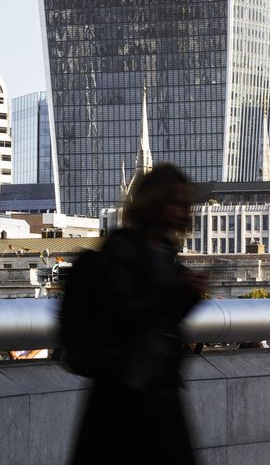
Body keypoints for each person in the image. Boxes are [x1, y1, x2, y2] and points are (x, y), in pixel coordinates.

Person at [68, 163, 206, 465]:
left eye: (187, 205)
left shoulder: (167, 253)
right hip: (124, 396)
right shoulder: (122, 250)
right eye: (177, 204)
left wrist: (188, 296)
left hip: (157, 392)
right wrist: (175, 292)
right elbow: (124, 315)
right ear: (155, 203)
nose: (185, 212)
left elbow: (163, 319)